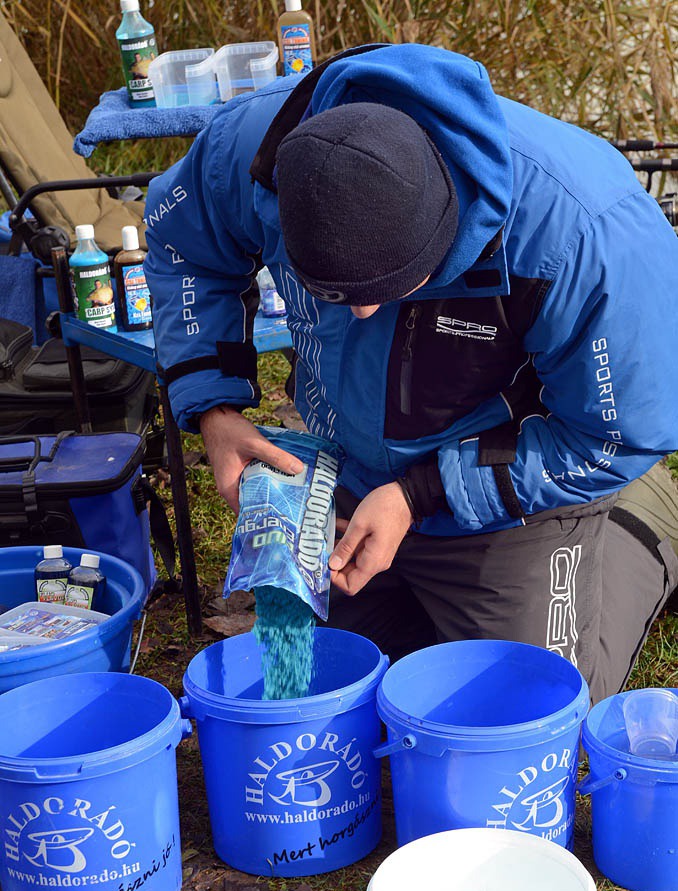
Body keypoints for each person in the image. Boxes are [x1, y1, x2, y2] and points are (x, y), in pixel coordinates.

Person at [144, 43, 678, 704]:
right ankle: (423, 598)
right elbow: (181, 246)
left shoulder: (585, 236)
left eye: (390, 286)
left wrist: (422, 494)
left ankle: (645, 520)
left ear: (447, 227)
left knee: (534, 708)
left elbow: (614, 436)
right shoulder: (261, 149)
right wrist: (212, 408)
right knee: (313, 686)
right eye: (333, 292)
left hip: (510, 493)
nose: (363, 310)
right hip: (352, 466)